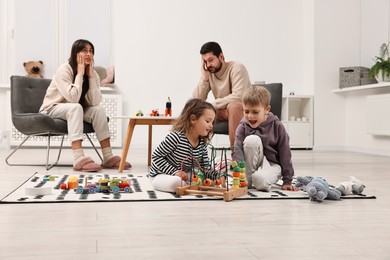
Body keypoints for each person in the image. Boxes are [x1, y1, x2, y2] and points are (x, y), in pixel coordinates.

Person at [39, 39, 131, 172]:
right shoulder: (64, 70)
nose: (88, 54)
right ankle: (78, 158)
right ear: (75, 53)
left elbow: (94, 102)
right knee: (76, 107)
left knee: (98, 110)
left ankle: (108, 157)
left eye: (91, 51)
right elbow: (73, 98)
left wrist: (90, 76)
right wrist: (80, 74)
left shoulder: (92, 73)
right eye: (84, 51)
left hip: (74, 110)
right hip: (52, 108)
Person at [149, 98, 225, 193]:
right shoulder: (175, 137)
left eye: (212, 122)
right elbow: (156, 156)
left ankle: (189, 185)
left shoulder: (201, 143)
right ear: (193, 119)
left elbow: (205, 168)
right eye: (208, 121)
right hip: (161, 175)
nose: (211, 126)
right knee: (176, 182)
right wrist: (175, 172)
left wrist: (218, 176)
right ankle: (189, 185)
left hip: (184, 175)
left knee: (209, 180)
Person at [232, 86, 298, 192]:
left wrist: (287, 180)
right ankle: (247, 180)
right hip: (251, 164)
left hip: (272, 164)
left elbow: (285, 153)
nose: (250, 116)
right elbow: (237, 150)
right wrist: (238, 172)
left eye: (255, 112)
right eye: (246, 111)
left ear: (267, 109)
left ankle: (257, 178)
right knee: (252, 140)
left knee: (260, 182)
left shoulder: (277, 126)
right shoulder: (243, 126)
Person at [192, 41, 252, 146]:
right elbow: (197, 100)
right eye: (205, 62)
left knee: (233, 106)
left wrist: (212, 105)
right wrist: (204, 78)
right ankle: (193, 155)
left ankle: (237, 158)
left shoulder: (237, 68)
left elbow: (238, 96)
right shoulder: (210, 74)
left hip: (243, 110)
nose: (208, 65)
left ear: (221, 56)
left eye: (210, 60)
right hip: (223, 112)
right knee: (195, 113)